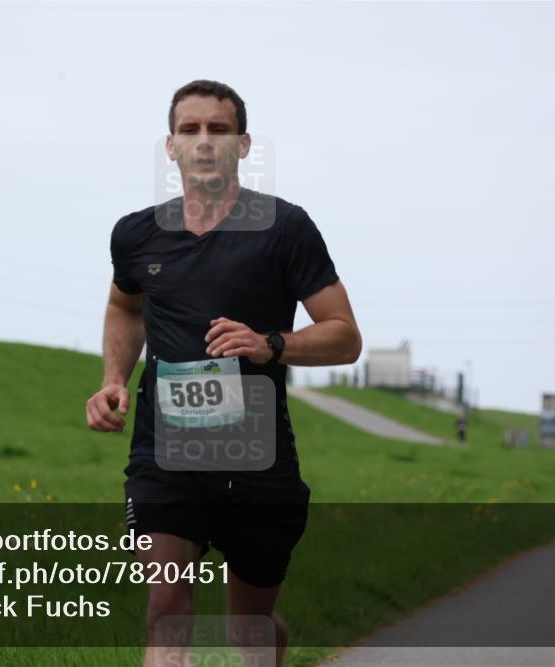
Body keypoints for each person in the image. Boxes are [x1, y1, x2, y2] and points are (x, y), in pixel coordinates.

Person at [86, 80, 362, 667]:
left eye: (219, 129)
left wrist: (270, 344)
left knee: (250, 627)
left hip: (256, 458)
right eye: (190, 130)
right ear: (170, 147)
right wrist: (113, 379)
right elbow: (124, 307)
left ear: (244, 144)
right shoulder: (135, 235)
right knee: (165, 607)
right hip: (165, 455)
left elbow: (345, 335)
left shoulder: (284, 228)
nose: (205, 141)